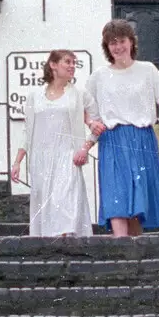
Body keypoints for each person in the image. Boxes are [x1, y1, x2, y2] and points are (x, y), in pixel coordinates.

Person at [85, 19, 159, 237]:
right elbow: (86, 108)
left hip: (142, 138)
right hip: (113, 140)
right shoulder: (98, 76)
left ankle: (134, 250)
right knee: (117, 194)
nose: (118, 47)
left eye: (122, 41)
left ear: (131, 42)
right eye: (112, 43)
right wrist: (91, 123)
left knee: (137, 199)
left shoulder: (148, 70)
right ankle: (120, 244)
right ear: (107, 47)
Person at [9, 49, 93, 238]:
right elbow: (27, 130)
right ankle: (51, 247)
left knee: (65, 201)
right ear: (53, 65)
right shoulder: (34, 96)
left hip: (67, 155)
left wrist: (85, 146)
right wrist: (17, 162)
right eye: (67, 62)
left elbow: (93, 119)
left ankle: (67, 243)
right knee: (46, 204)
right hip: (41, 158)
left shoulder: (78, 94)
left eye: (74, 63)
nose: (72, 66)